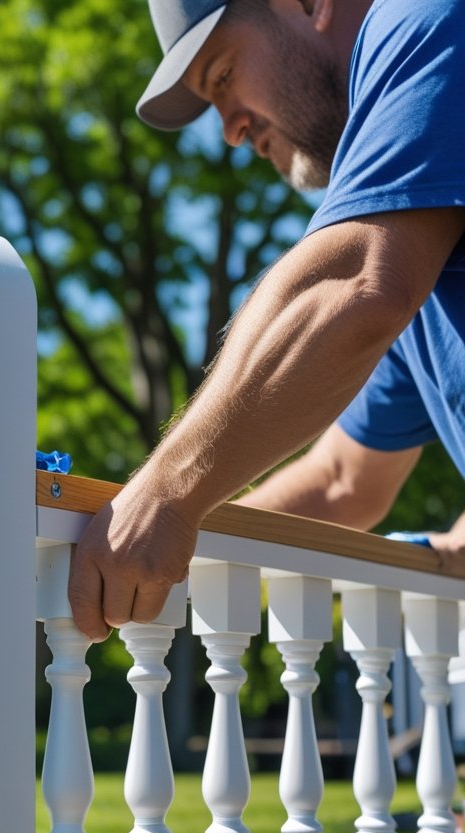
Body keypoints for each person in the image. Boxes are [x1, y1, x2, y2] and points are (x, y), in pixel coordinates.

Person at [68, 0, 465, 643]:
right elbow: (343, 483)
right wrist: (168, 545)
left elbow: (353, 284)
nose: (228, 129)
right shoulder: (422, 251)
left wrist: (167, 493)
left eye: (222, 76)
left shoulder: (430, 18)